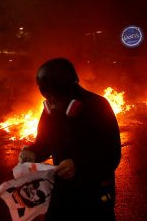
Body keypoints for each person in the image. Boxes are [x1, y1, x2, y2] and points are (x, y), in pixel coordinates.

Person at [18, 57, 121, 220]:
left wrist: (78, 165)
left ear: (68, 89)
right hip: (63, 190)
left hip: (95, 191)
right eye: (45, 94)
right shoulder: (51, 109)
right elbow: (45, 141)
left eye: (53, 95)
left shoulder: (98, 106)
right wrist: (35, 152)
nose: (50, 101)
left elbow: (112, 155)